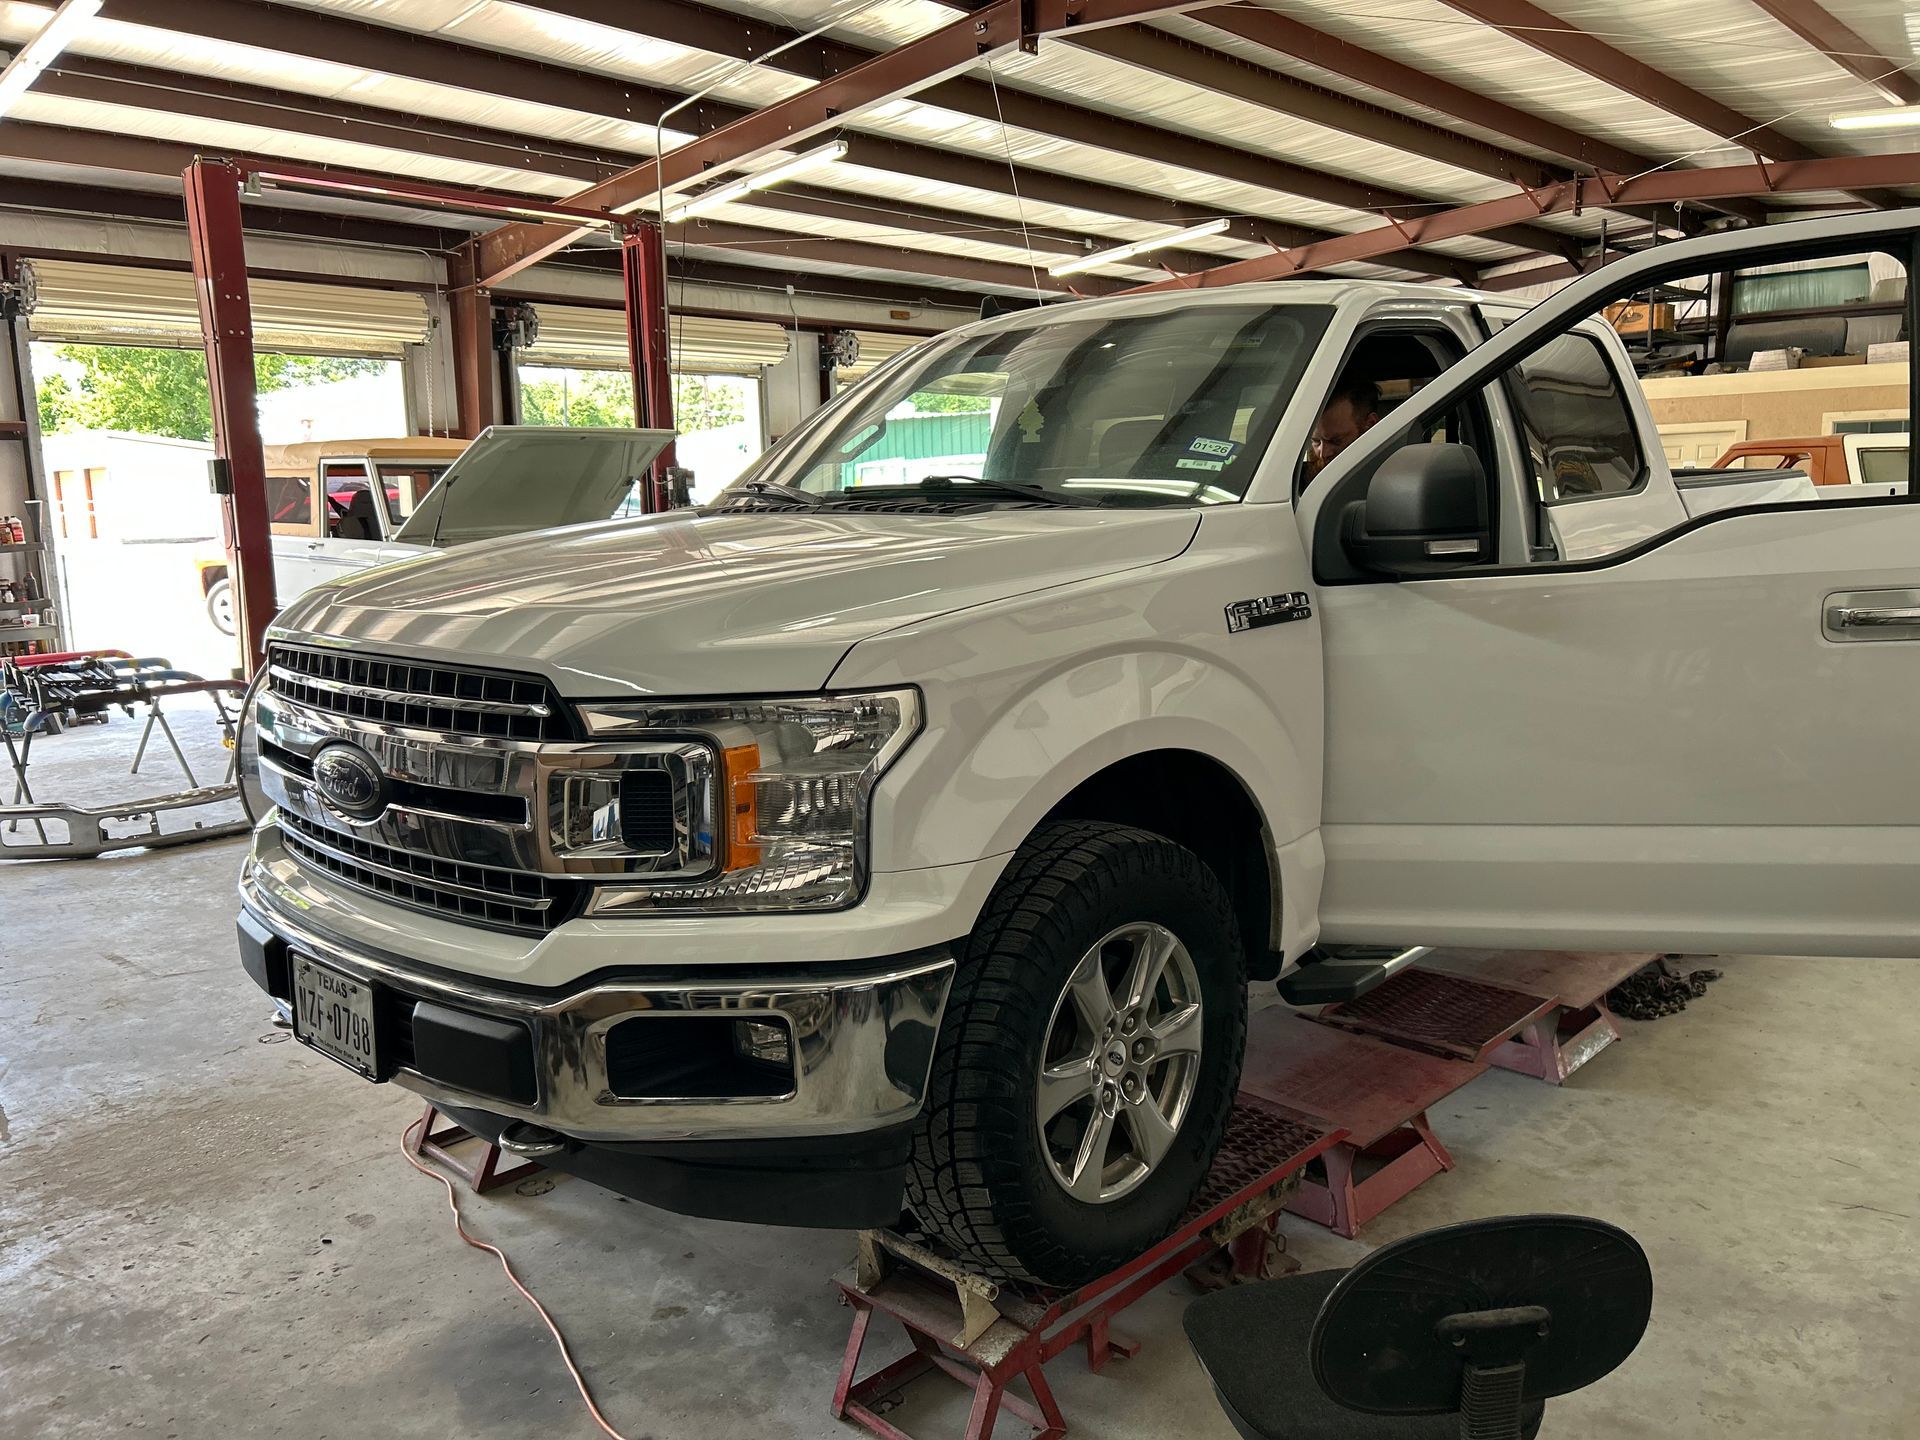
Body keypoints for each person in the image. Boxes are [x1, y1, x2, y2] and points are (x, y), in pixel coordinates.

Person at [1304, 379, 1381, 484]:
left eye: (1336, 441)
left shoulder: (1386, 478)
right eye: (1316, 441)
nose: (1323, 453)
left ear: (1370, 424)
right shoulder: (1296, 481)